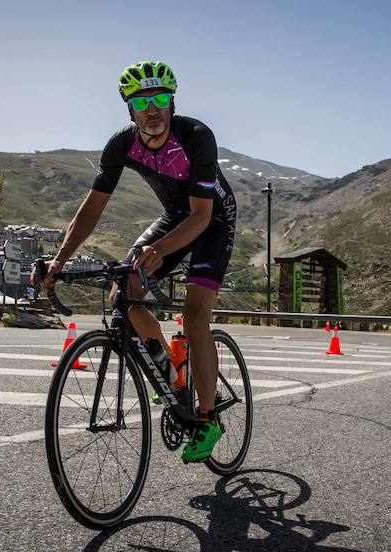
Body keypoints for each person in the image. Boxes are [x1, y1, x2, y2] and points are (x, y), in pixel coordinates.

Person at [39, 61, 236, 463]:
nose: (153, 110)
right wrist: (59, 261)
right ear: (129, 110)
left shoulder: (196, 136)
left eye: (160, 99)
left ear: (172, 103)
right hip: (174, 218)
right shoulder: (120, 145)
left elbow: (200, 216)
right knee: (122, 293)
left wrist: (159, 250)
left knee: (195, 315)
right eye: (142, 102)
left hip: (212, 219)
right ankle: (171, 372)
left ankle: (207, 416)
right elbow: (91, 210)